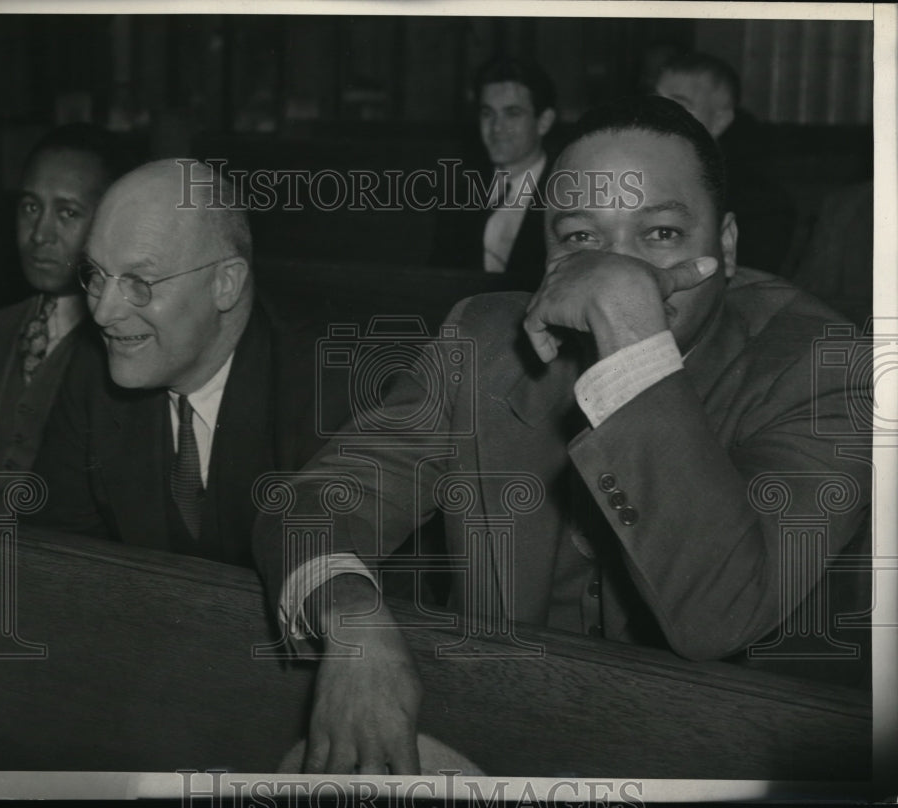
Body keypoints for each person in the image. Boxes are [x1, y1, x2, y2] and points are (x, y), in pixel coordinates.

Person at [252, 95, 871, 773]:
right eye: (581, 239)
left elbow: (721, 612)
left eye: (659, 233)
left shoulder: (826, 369)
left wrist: (630, 340)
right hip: (500, 739)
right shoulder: (484, 341)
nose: (619, 270)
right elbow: (313, 504)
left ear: (724, 245)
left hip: (717, 756)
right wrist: (352, 618)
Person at [31, 159, 342, 565]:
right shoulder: (93, 368)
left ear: (225, 284)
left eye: (139, 283)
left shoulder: (327, 394)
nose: (104, 314)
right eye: (96, 275)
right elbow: (59, 560)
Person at [0, 123, 122, 486]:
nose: (40, 234)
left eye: (68, 213)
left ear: (111, 222)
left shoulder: (122, 346)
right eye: (30, 207)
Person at [653, 51, 797, 273]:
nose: (656, 113)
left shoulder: (758, 203)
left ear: (719, 121)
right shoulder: (628, 176)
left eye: (678, 104)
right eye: (655, 99)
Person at [430, 56, 557, 291]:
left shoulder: (566, 193)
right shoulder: (461, 192)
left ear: (544, 122)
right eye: (488, 113)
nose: (497, 128)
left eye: (512, 113)